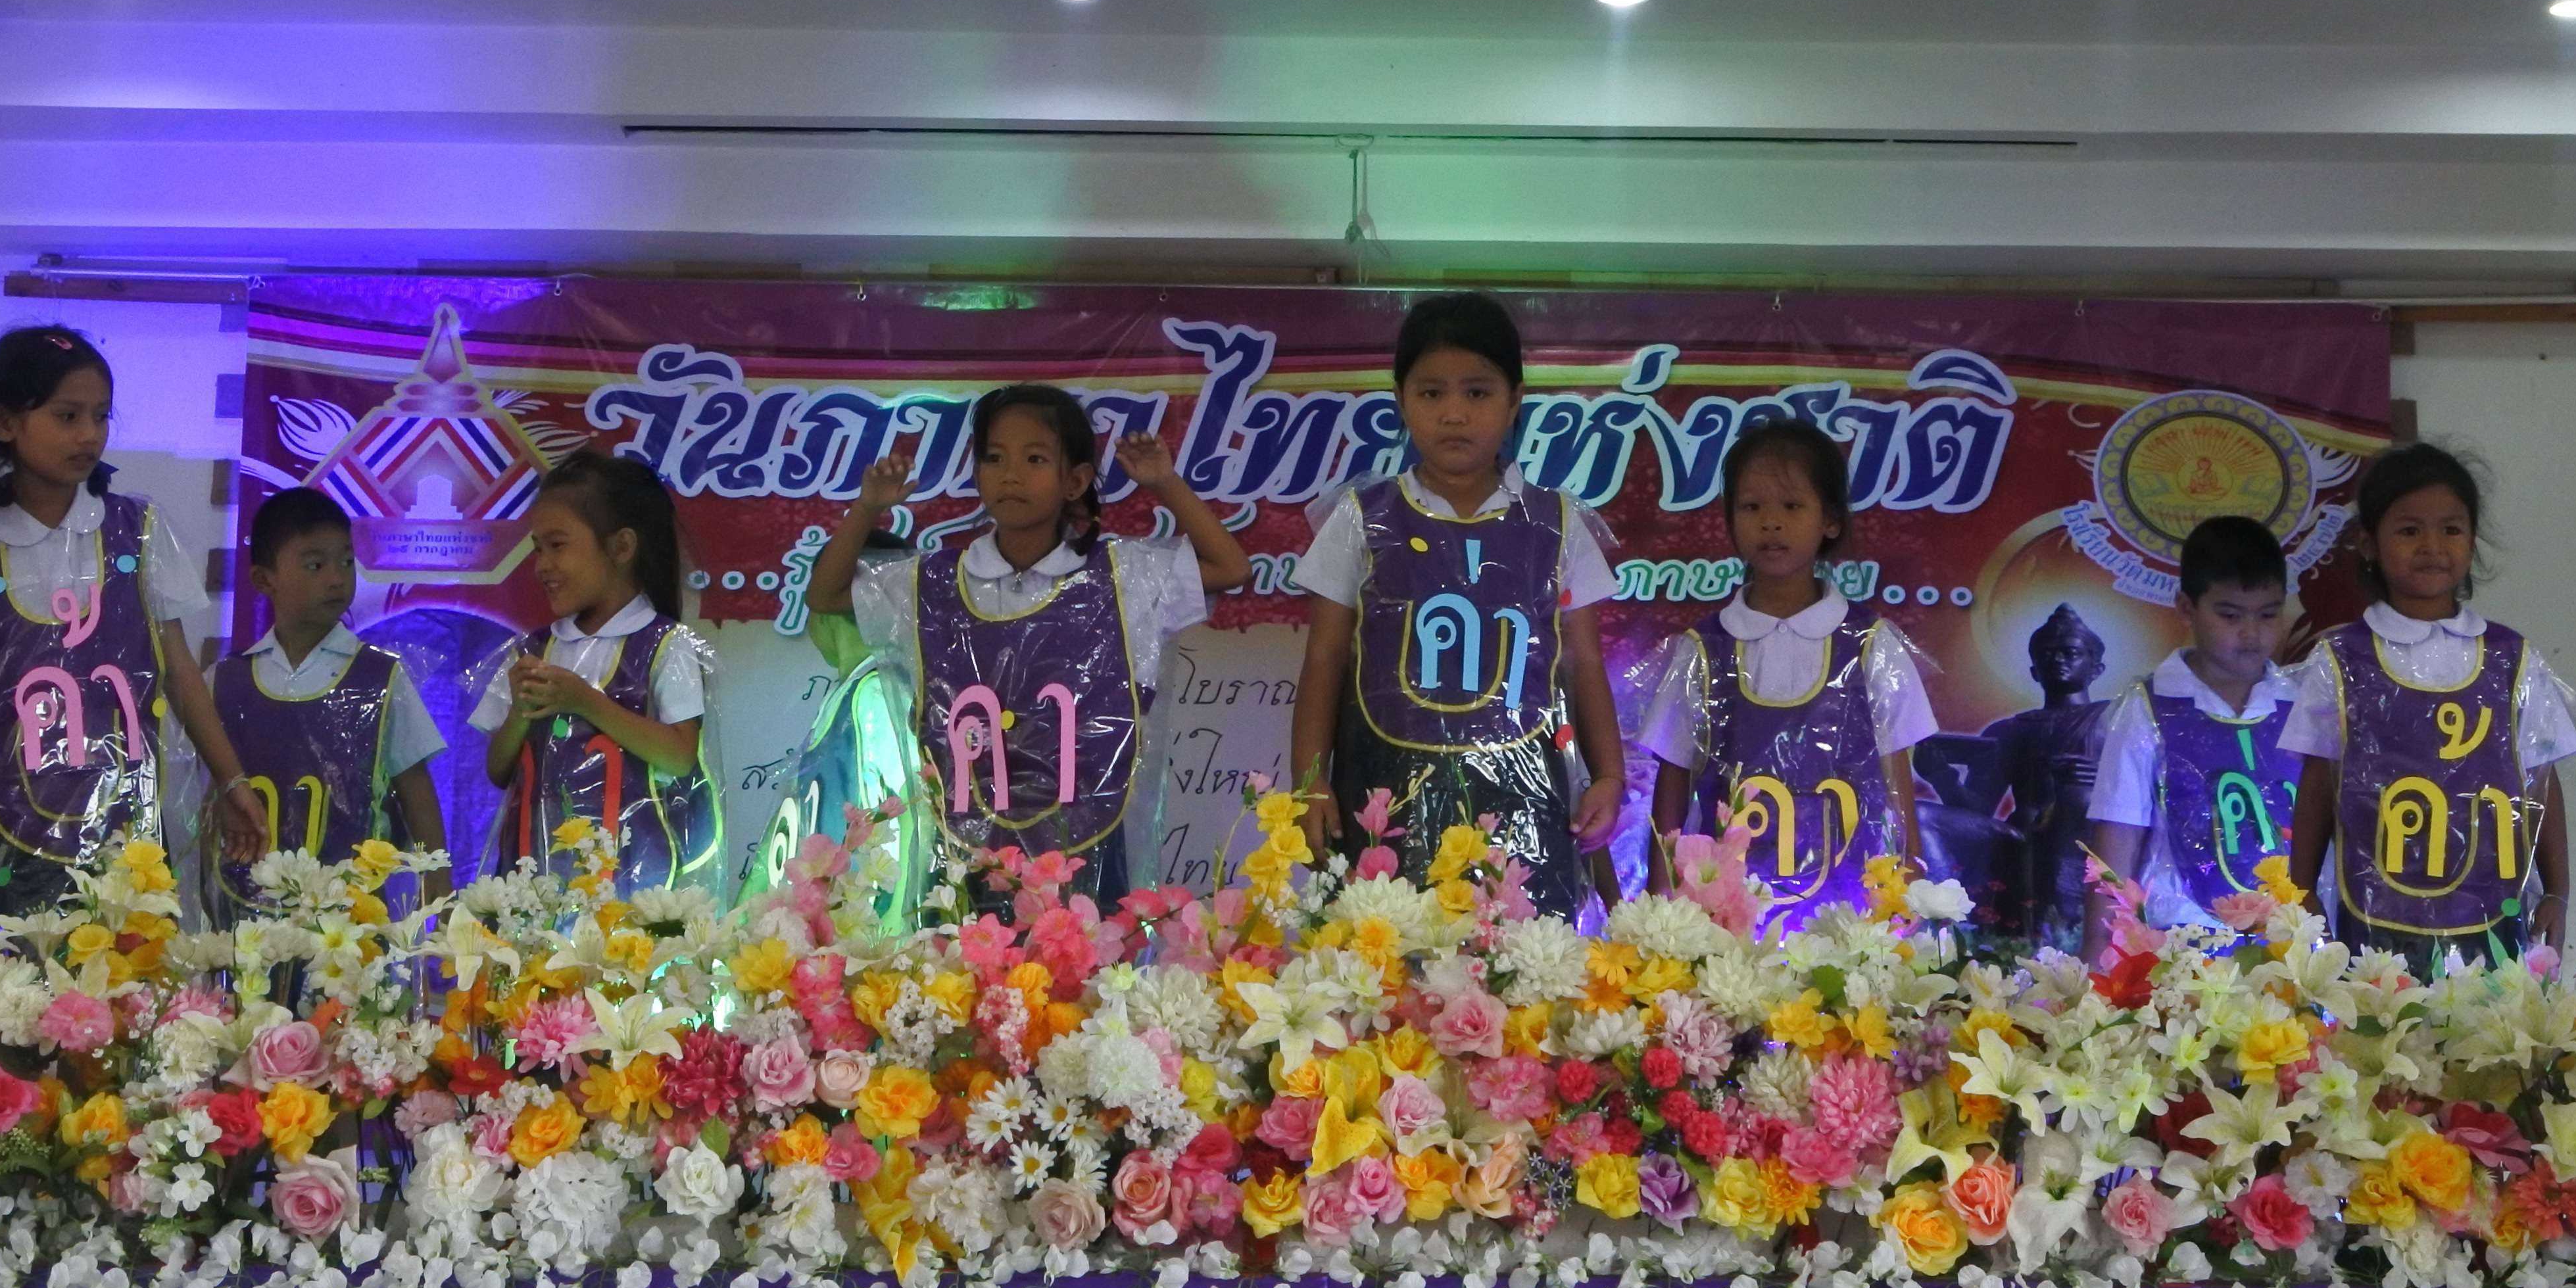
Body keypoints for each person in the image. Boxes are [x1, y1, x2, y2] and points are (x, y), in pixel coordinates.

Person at [806, 385, 1245, 901]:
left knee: (1091, 952)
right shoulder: (932, 582)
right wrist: (866, 508)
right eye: (995, 458)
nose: (1010, 474)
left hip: (1088, 848)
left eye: (1034, 459)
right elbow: (825, 595)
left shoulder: (1121, 578)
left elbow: (1230, 567)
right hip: (963, 853)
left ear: (1075, 481)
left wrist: (1164, 482)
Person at [1288, 292, 1626, 915]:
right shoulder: (1361, 517)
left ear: (1515, 401)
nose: (1453, 413)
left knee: (1524, 964)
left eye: (1477, 392)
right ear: (1401, 400)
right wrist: (1310, 785)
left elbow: (1582, 663)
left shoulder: (1558, 522)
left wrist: (1608, 777)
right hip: (1383, 796)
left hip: (1527, 806)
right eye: (1431, 392)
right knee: (1380, 961)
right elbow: (1325, 659)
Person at [0, 328, 266, 909]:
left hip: (128, 829)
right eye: (68, 416)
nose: (90, 434)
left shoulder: (140, 532)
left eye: (101, 416)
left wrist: (232, 780)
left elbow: (179, 673)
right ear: (4, 422)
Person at [2283, 444, 2576, 972]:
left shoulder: (2512, 659)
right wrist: (2301, 891)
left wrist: (2557, 891)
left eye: (2451, 529)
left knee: (2493, 1023)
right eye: (2409, 530)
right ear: (2369, 543)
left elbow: (2540, 779)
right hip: (2374, 911)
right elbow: (2319, 782)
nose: (2432, 547)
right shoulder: (2341, 659)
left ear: (2472, 540)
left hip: (2493, 912)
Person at [1636, 416, 1928, 928]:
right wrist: (1659, 912)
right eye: (1752, 507)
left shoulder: (1872, 646)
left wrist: (1908, 903)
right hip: (1725, 930)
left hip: (1848, 923)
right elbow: (1672, 788)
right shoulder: (1703, 650)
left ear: (1830, 520)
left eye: (1792, 507)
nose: (1771, 523)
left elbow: (1899, 790)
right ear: (1730, 520)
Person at [474, 450, 719, 893]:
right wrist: (520, 713)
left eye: (558, 545)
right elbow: (498, 770)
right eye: (538, 549)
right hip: (535, 880)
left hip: (634, 882)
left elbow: (679, 756)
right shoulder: (532, 651)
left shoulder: (667, 645)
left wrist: (585, 701)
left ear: (621, 547)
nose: (542, 565)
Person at [208, 487, 449, 915]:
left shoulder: (381, 678)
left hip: (351, 923)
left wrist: (441, 900)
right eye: (315, 565)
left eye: (346, 562)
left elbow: (417, 793)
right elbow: (204, 799)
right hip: (242, 915)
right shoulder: (224, 681)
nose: (337, 578)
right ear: (264, 580)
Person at [2086, 515, 2304, 945]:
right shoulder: (2146, 709)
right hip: (2182, 948)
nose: (2252, 634)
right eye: (2230, 615)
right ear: (2187, 608)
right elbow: (2117, 838)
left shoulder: (2302, 705)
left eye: (2268, 614)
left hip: (2293, 945)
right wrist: (2097, 956)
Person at [1979, 603, 2114, 950]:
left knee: (2077, 800)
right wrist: (1940, 774)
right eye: (2047, 654)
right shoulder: (2011, 729)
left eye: (2070, 653)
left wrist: (2101, 779)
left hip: (2083, 832)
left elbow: (2150, 790)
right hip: (2020, 833)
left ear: (2096, 668)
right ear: (2034, 671)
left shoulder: (2113, 719)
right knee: (1926, 817)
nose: (2058, 660)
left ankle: (2068, 932)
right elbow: (1978, 809)